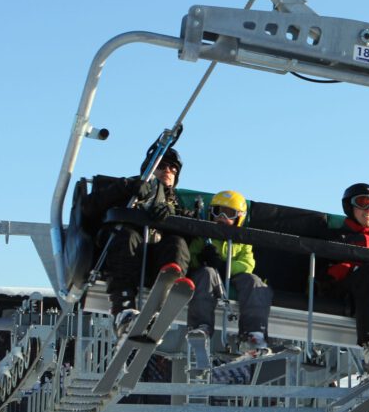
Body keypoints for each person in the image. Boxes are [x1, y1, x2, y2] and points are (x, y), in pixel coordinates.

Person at [84, 144, 193, 338]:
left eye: (173, 169)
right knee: (127, 236)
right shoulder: (129, 188)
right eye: (163, 166)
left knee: (177, 243)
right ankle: (124, 309)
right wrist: (125, 189)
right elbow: (89, 207)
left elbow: (194, 229)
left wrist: (172, 216)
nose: (168, 171)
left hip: (156, 261)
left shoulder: (176, 204)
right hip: (126, 255)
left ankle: (165, 293)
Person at [185, 190, 273, 357]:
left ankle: (253, 333)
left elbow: (247, 264)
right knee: (206, 273)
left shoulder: (242, 239)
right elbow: (192, 256)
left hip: (233, 277)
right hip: (211, 278)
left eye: (230, 213)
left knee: (254, 281)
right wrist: (203, 259)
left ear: (238, 217)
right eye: (218, 211)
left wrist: (225, 267)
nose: (222, 217)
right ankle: (200, 327)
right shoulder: (204, 236)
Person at [319, 183, 369, 371]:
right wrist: (353, 267)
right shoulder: (338, 237)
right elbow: (327, 271)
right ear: (349, 207)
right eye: (363, 203)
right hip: (344, 289)